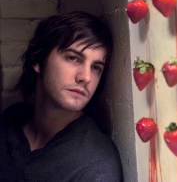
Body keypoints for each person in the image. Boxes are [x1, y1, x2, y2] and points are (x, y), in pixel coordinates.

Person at [0, 11, 123, 181]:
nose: (85, 77)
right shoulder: (11, 119)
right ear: (38, 60)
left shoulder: (95, 166)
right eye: (73, 58)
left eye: (96, 67)